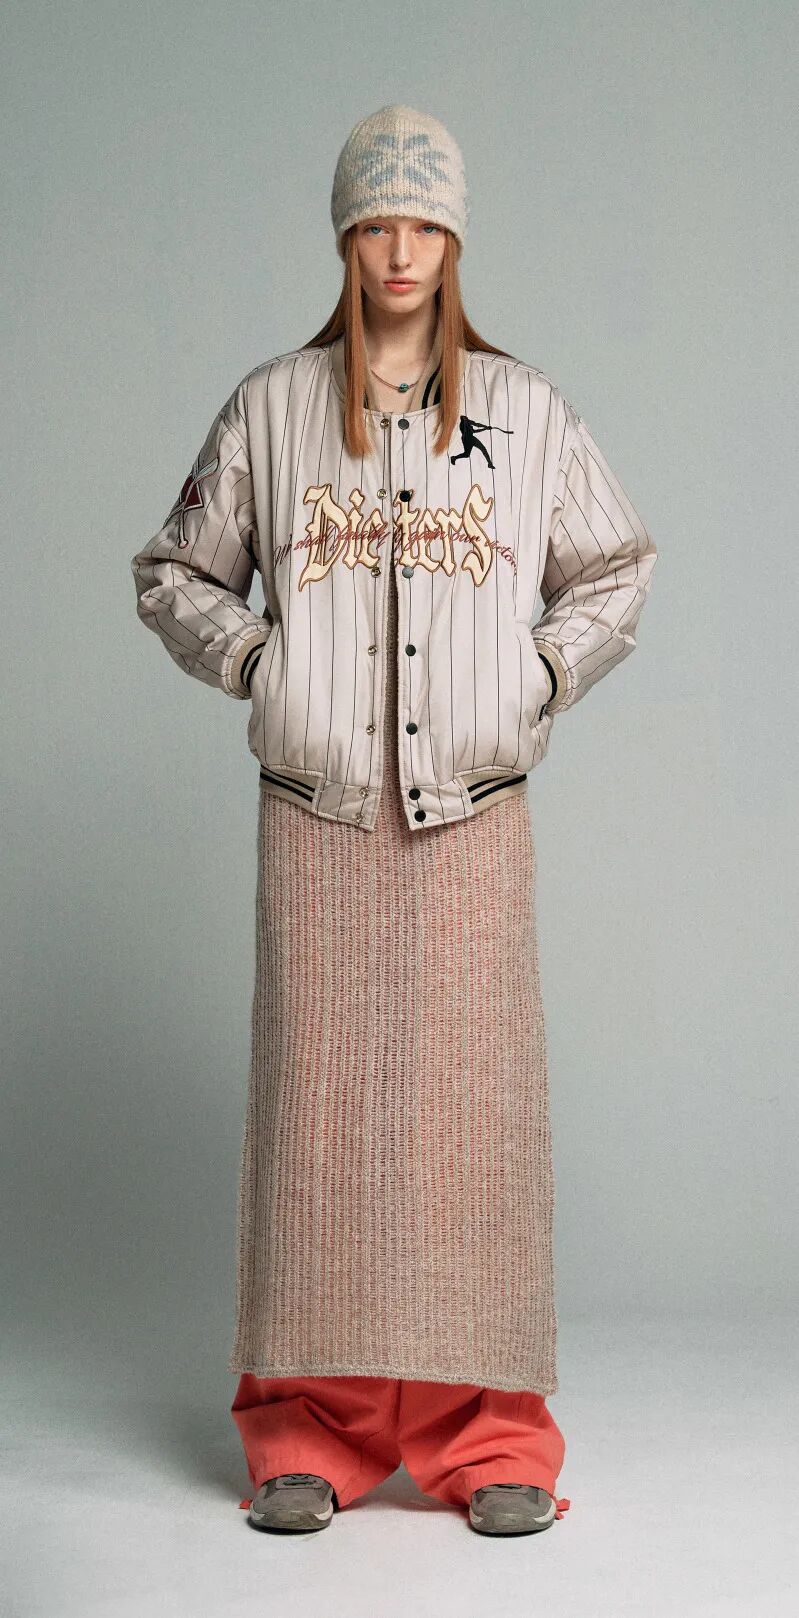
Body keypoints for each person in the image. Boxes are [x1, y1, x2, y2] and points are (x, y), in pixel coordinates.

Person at [130, 104, 658, 1538]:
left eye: (426, 222)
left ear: (457, 238)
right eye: (378, 221)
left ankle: (493, 1436)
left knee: (474, 1128)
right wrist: (258, 661)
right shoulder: (272, 409)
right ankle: (305, 1429)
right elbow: (175, 573)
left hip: (471, 819)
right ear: (345, 237)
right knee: (319, 1130)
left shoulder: (529, 413)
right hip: (319, 817)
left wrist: (539, 674)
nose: (403, 249)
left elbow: (616, 566)